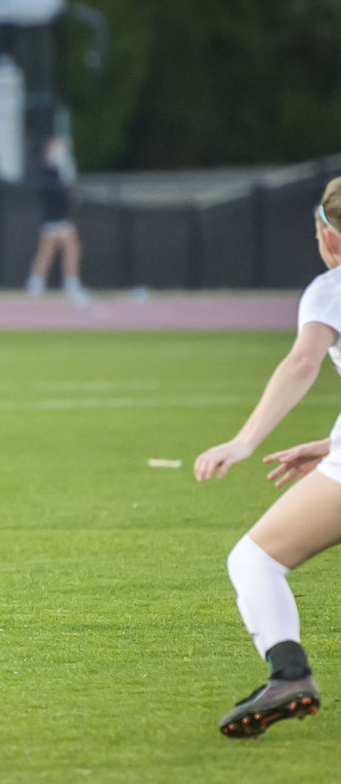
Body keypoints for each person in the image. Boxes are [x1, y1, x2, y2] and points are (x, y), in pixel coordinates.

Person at [193, 176, 341, 738]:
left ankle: (288, 675)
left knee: (253, 561)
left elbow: (303, 362)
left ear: (329, 236)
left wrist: (244, 441)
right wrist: (330, 443)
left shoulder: (332, 288)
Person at [25, 136, 88, 307]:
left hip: (62, 216)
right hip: (53, 217)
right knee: (57, 249)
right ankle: (66, 282)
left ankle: (40, 282)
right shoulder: (46, 171)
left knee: (55, 249)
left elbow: (70, 195)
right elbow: (50, 193)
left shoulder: (63, 170)